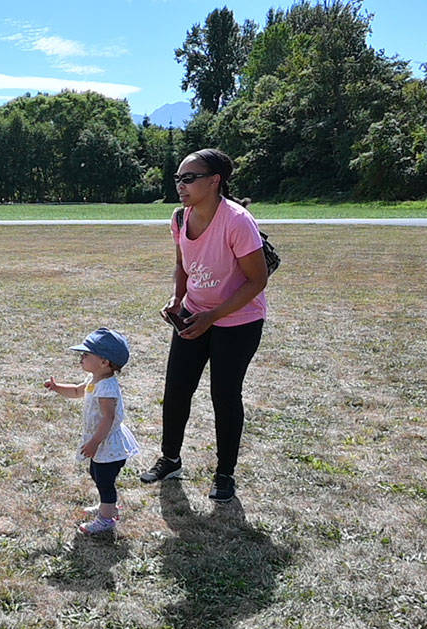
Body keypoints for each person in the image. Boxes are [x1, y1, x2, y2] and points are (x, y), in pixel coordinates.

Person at [140, 148, 269, 503]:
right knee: (177, 389)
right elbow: (183, 263)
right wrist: (177, 298)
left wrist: (213, 317)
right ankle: (170, 459)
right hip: (194, 313)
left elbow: (257, 280)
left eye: (189, 178)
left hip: (239, 320)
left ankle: (224, 474)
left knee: (225, 396)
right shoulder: (180, 218)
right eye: (178, 178)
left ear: (215, 181)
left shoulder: (237, 221)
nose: (181, 185)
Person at [44, 328, 141, 535]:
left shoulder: (107, 387)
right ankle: (109, 505)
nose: (81, 358)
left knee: (104, 480)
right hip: (100, 441)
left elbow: (109, 418)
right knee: (95, 473)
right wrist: (56, 387)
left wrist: (95, 442)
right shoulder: (94, 380)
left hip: (106, 443)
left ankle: (107, 517)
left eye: (86, 355)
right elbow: (78, 391)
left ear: (104, 362)